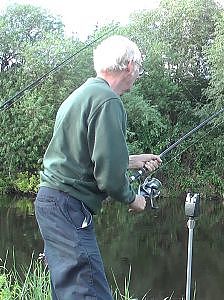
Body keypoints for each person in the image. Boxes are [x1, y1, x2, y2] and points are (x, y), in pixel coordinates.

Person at [34, 35, 162, 300]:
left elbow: (83, 155)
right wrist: (132, 198)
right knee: (89, 293)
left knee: (71, 292)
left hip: (50, 201)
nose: (138, 74)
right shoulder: (108, 100)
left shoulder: (79, 96)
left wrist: (131, 160)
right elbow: (108, 177)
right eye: (138, 67)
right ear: (129, 65)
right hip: (68, 207)